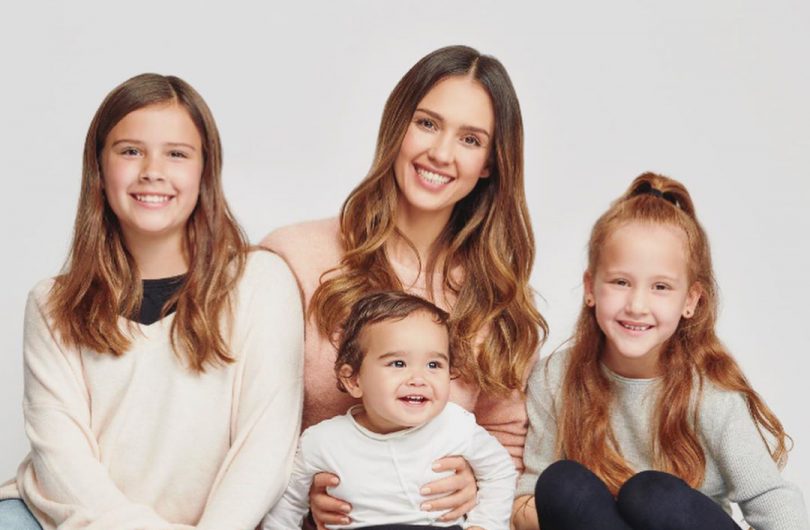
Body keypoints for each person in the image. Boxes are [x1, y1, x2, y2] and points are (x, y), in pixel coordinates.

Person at [0, 73, 304, 530]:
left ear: (205, 170)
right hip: (71, 521)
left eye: (176, 154)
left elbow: (265, 447)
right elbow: (63, 463)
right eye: (130, 151)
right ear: (99, 168)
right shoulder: (53, 303)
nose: (152, 171)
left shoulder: (261, 281)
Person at [262, 45, 545, 527]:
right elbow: (245, 422)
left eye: (470, 139)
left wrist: (475, 485)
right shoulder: (293, 260)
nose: (441, 153)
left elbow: (506, 440)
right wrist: (302, 490)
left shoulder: (500, 299)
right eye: (427, 123)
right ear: (397, 127)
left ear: (490, 163)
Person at [511, 173, 809, 530]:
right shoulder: (554, 378)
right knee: (561, 484)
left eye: (661, 287)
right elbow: (528, 498)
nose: (637, 305)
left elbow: (770, 498)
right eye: (621, 282)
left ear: (690, 300)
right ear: (590, 288)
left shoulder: (711, 393)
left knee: (651, 495)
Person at [262, 291, 516, 530]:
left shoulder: (456, 425)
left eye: (433, 364)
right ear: (353, 380)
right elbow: (287, 506)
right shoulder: (321, 441)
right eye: (398, 363)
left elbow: (500, 473)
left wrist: (484, 525)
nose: (418, 378)